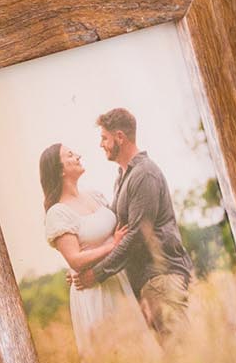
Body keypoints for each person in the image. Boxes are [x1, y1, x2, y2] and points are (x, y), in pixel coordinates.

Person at [73, 107, 195, 346]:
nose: (101, 145)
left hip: (160, 278)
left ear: (120, 137)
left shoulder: (144, 174)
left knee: (183, 355)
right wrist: (82, 262)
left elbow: (137, 235)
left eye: (104, 138)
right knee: (174, 362)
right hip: (147, 284)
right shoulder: (122, 177)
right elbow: (114, 232)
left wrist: (96, 275)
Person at [38, 144, 140, 356]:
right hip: (95, 290)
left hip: (118, 278)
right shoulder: (58, 213)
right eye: (70, 154)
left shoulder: (95, 196)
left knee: (138, 350)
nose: (78, 155)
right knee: (115, 357)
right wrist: (113, 245)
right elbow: (75, 260)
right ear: (60, 170)